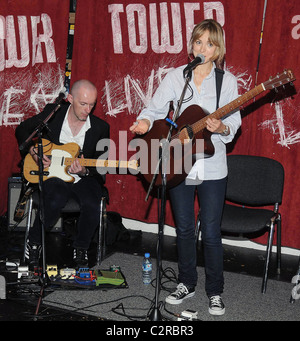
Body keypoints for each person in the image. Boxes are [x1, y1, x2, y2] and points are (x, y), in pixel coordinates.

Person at [130, 19, 241, 316]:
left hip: (213, 166)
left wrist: (222, 127)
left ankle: (215, 291)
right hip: (179, 164)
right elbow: (153, 109)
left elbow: (234, 122)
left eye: (209, 43)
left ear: (218, 49)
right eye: (198, 42)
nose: (202, 48)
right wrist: (143, 123)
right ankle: (186, 282)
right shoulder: (176, 77)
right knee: (184, 228)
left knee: (212, 232)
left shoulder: (226, 82)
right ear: (191, 45)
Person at [15, 79, 110, 269]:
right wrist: (34, 153)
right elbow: (22, 130)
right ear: (69, 99)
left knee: (93, 199)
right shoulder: (53, 114)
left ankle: (81, 248)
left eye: (92, 104)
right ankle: (34, 243)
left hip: (82, 178)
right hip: (53, 174)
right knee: (56, 196)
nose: (88, 110)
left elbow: (101, 168)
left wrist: (84, 170)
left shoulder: (101, 128)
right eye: (83, 104)